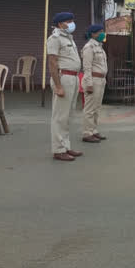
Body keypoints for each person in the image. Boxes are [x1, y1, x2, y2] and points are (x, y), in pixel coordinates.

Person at [47, 12, 83, 162]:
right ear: (61, 23)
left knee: (68, 116)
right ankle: (58, 149)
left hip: (73, 77)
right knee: (60, 116)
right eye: (69, 21)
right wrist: (58, 85)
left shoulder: (68, 38)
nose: (72, 23)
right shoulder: (54, 38)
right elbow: (53, 62)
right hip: (64, 77)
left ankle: (66, 146)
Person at [81, 24, 108, 144]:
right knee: (90, 109)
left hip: (101, 80)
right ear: (93, 34)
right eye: (100, 32)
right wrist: (89, 84)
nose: (102, 33)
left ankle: (94, 130)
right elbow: (87, 67)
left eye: (103, 31)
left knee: (97, 108)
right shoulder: (89, 47)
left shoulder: (100, 47)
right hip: (93, 80)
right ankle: (87, 133)